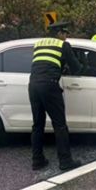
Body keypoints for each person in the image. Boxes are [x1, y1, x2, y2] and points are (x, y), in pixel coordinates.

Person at [28, 21, 82, 171]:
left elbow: (45, 63)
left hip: (33, 85)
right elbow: (76, 68)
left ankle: (37, 160)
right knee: (60, 125)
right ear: (59, 33)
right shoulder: (63, 45)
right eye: (65, 33)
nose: (66, 37)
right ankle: (65, 161)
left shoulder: (38, 44)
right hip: (49, 86)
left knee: (37, 125)